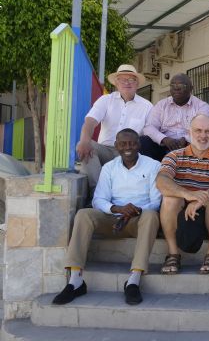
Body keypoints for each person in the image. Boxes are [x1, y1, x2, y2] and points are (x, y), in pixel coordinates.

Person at [53, 129, 161, 306]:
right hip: (112, 219)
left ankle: (134, 280)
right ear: (116, 146)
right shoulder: (109, 168)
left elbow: (156, 201)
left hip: (138, 219)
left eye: (132, 143)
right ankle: (75, 280)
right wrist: (117, 208)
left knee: (151, 215)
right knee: (84, 215)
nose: (128, 147)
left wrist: (135, 211)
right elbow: (99, 200)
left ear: (139, 145)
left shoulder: (153, 166)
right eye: (123, 144)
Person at [156, 114, 209, 275]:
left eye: (208, 132)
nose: (203, 136)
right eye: (198, 130)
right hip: (182, 211)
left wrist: (201, 199)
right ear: (189, 132)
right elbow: (161, 181)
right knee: (169, 198)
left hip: (208, 212)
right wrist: (188, 195)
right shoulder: (174, 156)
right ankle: (172, 254)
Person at [76, 64, 153, 191]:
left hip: (128, 153)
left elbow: (149, 133)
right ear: (116, 83)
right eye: (123, 80)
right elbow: (90, 121)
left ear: (137, 84)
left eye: (131, 80)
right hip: (105, 150)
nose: (127, 83)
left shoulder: (147, 106)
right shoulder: (106, 100)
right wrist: (84, 141)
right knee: (86, 145)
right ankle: (97, 191)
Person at [141, 73, 209, 161]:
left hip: (190, 146)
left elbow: (203, 129)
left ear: (191, 88)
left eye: (181, 85)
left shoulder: (201, 106)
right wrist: (164, 139)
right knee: (143, 141)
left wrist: (185, 139)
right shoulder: (161, 105)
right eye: (172, 85)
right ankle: (150, 171)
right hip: (164, 145)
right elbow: (149, 127)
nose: (176, 88)